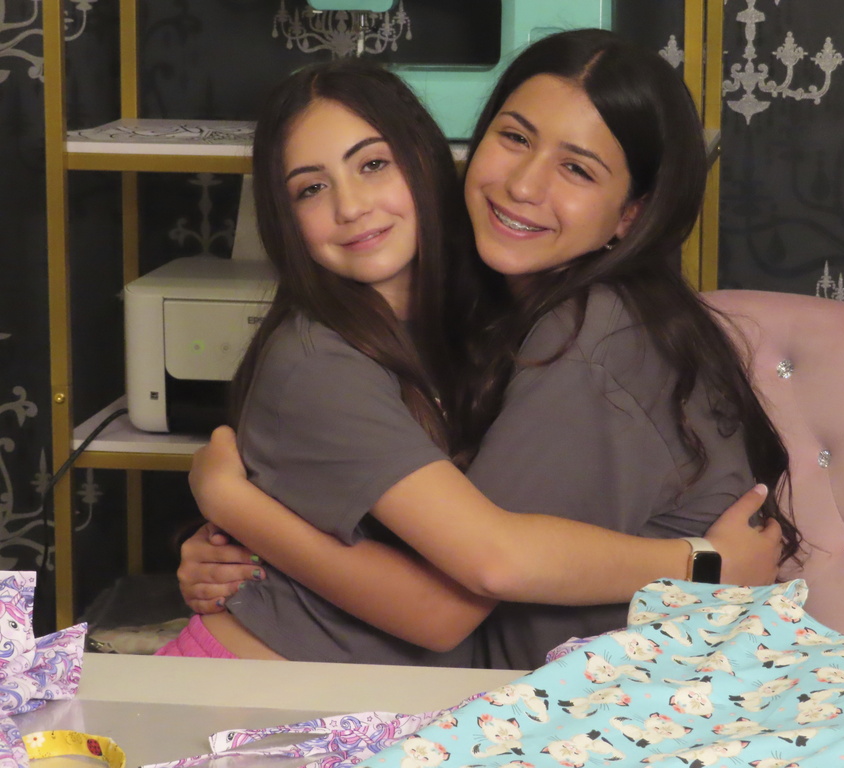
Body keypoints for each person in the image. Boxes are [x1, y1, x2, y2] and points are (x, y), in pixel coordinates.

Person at [178, 30, 802, 668]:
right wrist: (704, 565)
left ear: (630, 217)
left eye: (577, 169)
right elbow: (468, 585)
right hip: (275, 690)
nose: (525, 185)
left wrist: (235, 504)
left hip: (387, 698)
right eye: (515, 138)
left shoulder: (574, 328)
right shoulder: (334, 352)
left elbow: (475, 578)